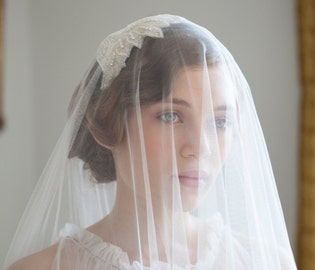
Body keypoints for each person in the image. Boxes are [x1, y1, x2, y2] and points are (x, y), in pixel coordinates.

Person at [3, 14, 297, 269]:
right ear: (109, 122)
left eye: (220, 122)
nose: (200, 149)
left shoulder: (266, 263)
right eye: (171, 117)